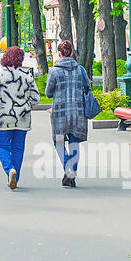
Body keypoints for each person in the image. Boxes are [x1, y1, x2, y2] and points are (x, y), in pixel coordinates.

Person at [0, 46, 40, 190]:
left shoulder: (0, 73)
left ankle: (10, 170)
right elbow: (36, 98)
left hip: (3, 118)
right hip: (22, 118)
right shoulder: (27, 75)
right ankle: (15, 177)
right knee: (18, 148)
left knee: (2, 146)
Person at [44, 39, 92, 188]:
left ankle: (68, 168)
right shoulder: (80, 70)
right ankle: (71, 173)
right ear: (71, 53)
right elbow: (87, 87)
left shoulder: (54, 71)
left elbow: (48, 93)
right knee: (74, 143)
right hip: (78, 112)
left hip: (60, 113)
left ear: (59, 54)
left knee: (58, 142)